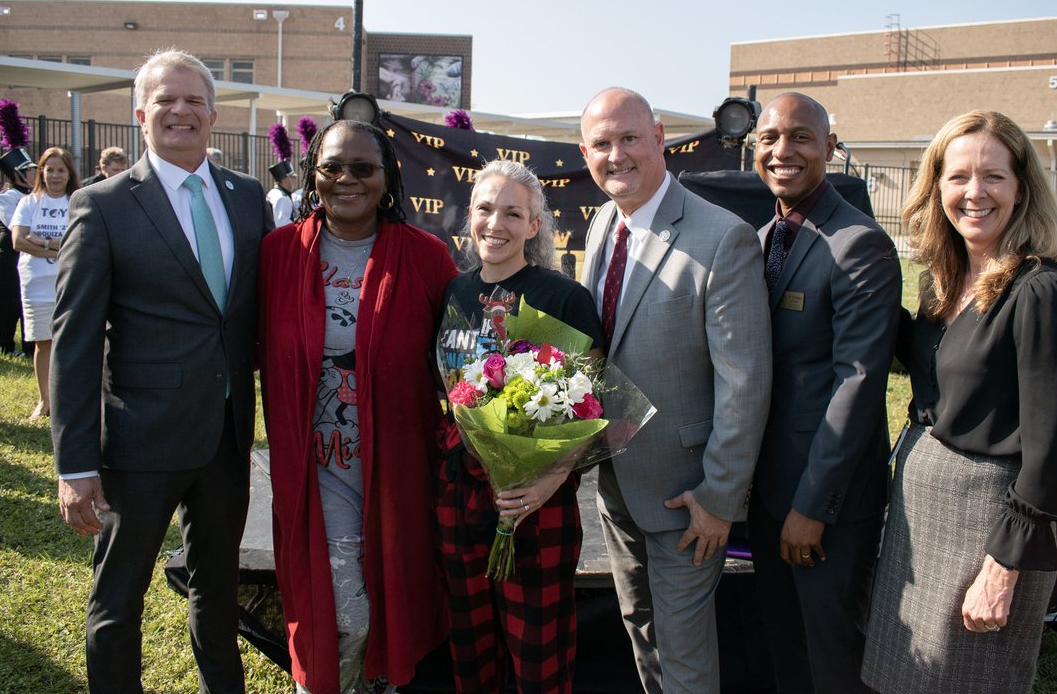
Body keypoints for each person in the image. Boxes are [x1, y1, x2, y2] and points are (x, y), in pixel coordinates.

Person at [51, 48, 273, 694]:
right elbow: (74, 340)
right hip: (137, 444)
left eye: (194, 100)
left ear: (212, 113)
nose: (182, 111)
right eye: (166, 101)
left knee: (219, 593)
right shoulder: (103, 207)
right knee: (118, 603)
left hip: (227, 444)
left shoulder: (247, 198)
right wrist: (75, 463)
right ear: (141, 115)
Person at [861, 110, 1057, 694]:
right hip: (922, 513)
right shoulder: (943, 282)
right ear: (936, 186)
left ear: (1022, 188)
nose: (974, 192)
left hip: (986, 523)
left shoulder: (1041, 291)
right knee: (902, 675)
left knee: (965, 679)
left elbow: (1055, 452)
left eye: (994, 176)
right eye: (958, 176)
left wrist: (1003, 567)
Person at [578, 87, 771, 693]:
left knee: (685, 658)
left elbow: (745, 383)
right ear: (585, 152)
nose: (617, 155)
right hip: (617, 488)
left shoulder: (722, 238)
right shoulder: (604, 222)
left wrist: (717, 497)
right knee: (642, 634)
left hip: (687, 498)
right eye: (602, 144)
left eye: (629, 138)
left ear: (660, 137)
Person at [258, 117, 457, 694]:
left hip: (398, 480)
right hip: (317, 478)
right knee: (347, 618)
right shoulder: (277, 255)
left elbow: (459, 367)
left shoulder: (426, 258)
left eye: (363, 169)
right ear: (312, 176)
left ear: (387, 178)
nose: (347, 180)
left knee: (394, 615)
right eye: (332, 168)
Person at [741, 94, 901, 693]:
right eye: (769, 139)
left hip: (825, 507)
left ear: (830, 148)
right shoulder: (760, 237)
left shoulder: (859, 244)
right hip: (767, 494)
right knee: (786, 653)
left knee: (831, 662)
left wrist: (812, 509)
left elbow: (857, 384)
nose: (783, 151)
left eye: (802, 137)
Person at [437, 159, 604, 694]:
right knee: (471, 646)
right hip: (460, 494)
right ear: (470, 216)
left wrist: (549, 479)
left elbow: (595, 406)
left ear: (534, 227)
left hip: (537, 502)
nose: (496, 224)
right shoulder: (454, 293)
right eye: (486, 209)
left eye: (513, 213)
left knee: (539, 656)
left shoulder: (562, 297)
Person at [11, 146, 81, 421]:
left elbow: (81, 243)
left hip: (71, 281)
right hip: (36, 283)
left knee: (74, 341)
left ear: (69, 173)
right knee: (44, 343)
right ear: (41, 171)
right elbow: (18, 241)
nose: (55, 175)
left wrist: (41, 242)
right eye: (49, 169)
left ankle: (72, 398)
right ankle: (45, 400)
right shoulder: (29, 203)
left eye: (60, 170)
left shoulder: (78, 201)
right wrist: (59, 248)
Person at [0, 153, 37, 355]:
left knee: (28, 300)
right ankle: (5, 344)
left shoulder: (38, 196)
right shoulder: (5, 198)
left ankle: (30, 346)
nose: (37, 172)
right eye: (31, 169)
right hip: (10, 255)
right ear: (19, 174)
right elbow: (16, 227)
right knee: (7, 300)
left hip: (32, 254)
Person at [266, 159, 297, 228]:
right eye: (292, 178)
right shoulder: (283, 198)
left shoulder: (273, 192)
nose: (294, 180)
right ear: (284, 180)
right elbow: (282, 224)